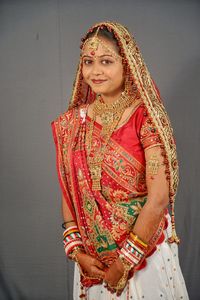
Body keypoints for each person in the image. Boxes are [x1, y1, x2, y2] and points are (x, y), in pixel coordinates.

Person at [51, 21, 189, 300]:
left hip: (141, 256)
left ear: (127, 63)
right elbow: (69, 187)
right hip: (93, 263)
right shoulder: (74, 123)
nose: (95, 71)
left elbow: (159, 197)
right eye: (88, 62)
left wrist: (125, 261)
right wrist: (76, 251)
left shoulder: (144, 118)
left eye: (106, 61)